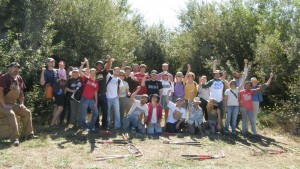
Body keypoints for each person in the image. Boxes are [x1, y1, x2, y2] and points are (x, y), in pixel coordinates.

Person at [0, 62, 37, 146]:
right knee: (11, 114)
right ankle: (14, 139)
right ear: (9, 68)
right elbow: (0, 92)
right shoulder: (4, 77)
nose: (16, 69)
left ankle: (29, 135)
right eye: (14, 67)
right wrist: (4, 105)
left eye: (17, 67)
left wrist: (22, 104)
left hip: (12, 104)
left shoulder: (19, 78)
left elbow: (21, 93)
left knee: (27, 112)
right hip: (1, 105)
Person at [40, 58, 64, 127]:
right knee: (60, 108)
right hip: (55, 92)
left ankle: (53, 122)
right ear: (47, 63)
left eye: (53, 61)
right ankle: (52, 123)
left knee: (56, 107)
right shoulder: (46, 72)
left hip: (60, 90)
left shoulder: (57, 70)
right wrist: (42, 72)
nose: (52, 63)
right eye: (50, 62)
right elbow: (42, 83)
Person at [79, 58, 99, 132]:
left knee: (96, 113)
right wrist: (83, 63)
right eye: (92, 72)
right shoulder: (86, 78)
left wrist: (96, 102)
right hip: (84, 99)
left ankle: (90, 127)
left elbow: (95, 93)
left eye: (94, 73)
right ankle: (86, 127)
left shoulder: (96, 83)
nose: (93, 74)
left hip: (92, 100)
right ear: (89, 73)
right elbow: (80, 71)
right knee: (82, 116)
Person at [95, 56, 113, 129]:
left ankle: (104, 125)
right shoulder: (94, 73)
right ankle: (96, 124)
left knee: (105, 111)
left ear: (102, 66)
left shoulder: (104, 72)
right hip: (95, 95)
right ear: (96, 66)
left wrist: (109, 60)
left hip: (103, 95)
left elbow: (108, 67)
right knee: (96, 111)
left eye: (100, 65)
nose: (99, 66)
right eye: (98, 65)